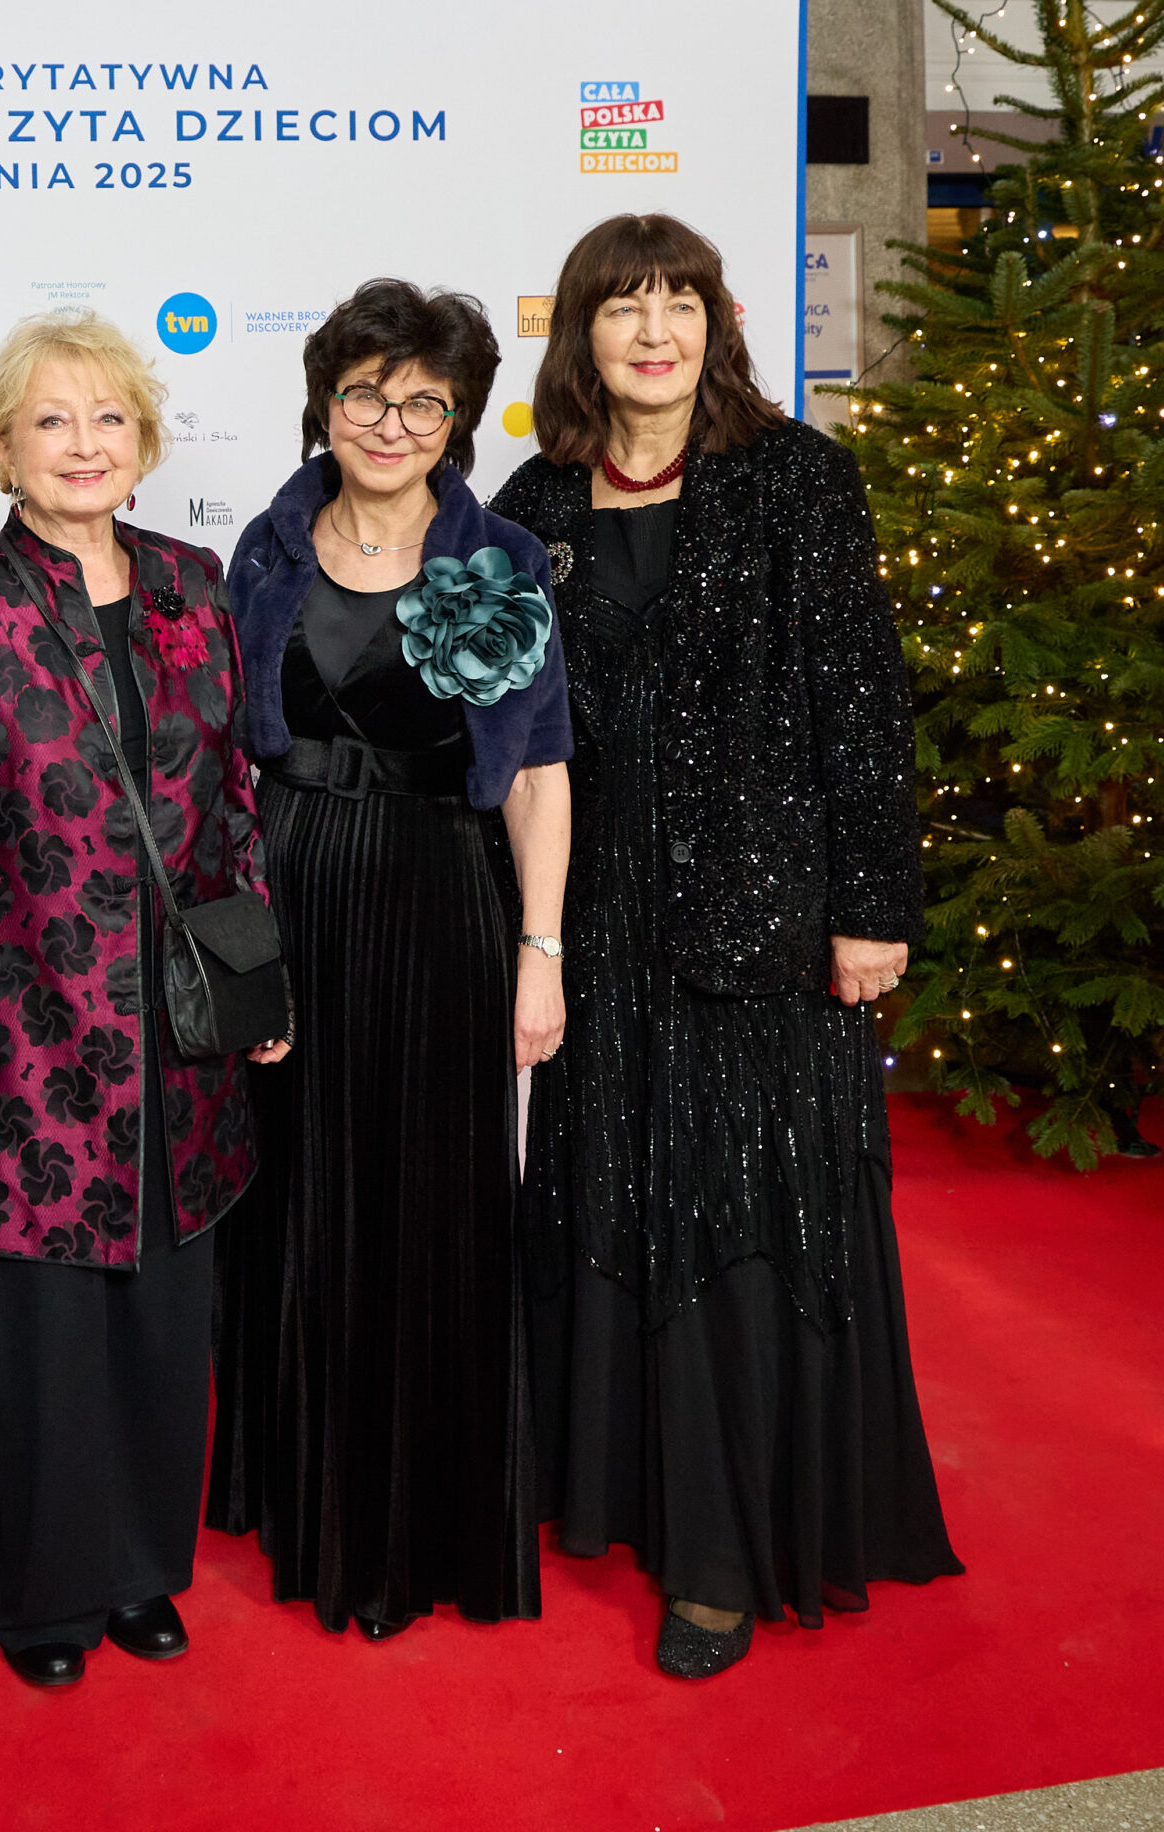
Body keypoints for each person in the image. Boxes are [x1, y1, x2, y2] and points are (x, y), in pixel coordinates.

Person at [489, 213, 961, 1678]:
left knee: (743, 1211)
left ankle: (723, 1553)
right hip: (598, 929)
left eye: (680, 304)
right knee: (619, 1192)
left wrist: (872, 905)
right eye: (624, 307)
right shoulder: (531, 502)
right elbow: (504, 734)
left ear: (716, 324)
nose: (655, 333)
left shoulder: (797, 478)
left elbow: (861, 701)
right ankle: (624, 1492)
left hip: (765, 922)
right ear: (582, 333)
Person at [0, 311, 289, 1690]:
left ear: (145, 441)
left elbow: (234, 806)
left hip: (184, 1035)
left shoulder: (193, 583)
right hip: (33, 1028)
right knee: (46, 1337)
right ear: (2, 447)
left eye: (108, 418)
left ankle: (142, 1572)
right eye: (51, 421)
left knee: (170, 1325)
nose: (83, 445)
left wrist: (255, 981)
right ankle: (51, 1594)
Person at [209, 280, 573, 1640]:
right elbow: (221, 757)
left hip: (439, 900)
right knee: (295, 1195)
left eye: (426, 401)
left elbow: (539, 774)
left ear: (460, 418)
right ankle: (304, 1497)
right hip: (290, 894)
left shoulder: (505, 559)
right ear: (326, 399)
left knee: (430, 1199)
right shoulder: (265, 547)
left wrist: (540, 951)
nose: (391, 422)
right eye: (367, 393)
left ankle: (419, 1519)